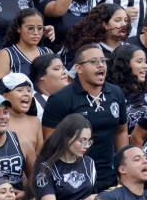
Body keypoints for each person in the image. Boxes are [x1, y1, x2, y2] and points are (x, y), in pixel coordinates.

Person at [42, 44, 129, 190]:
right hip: (74, 177)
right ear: (78, 69)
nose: (100, 65)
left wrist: (124, 167)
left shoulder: (115, 93)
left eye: (103, 60)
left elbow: (121, 131)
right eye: (93, 61)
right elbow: (51, 143)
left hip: (109, 174)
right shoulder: (60, 99)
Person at [0, 8, 53, 82]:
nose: (36, 32)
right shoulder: (6, 55)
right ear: (18, 28)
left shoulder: (48, 53)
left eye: (40, 28)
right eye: (30, 28)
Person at [106, 44, 147, 134]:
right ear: (124, 64)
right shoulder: (111, 94)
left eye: (145, 61)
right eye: (139, 61)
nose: (145, 66)